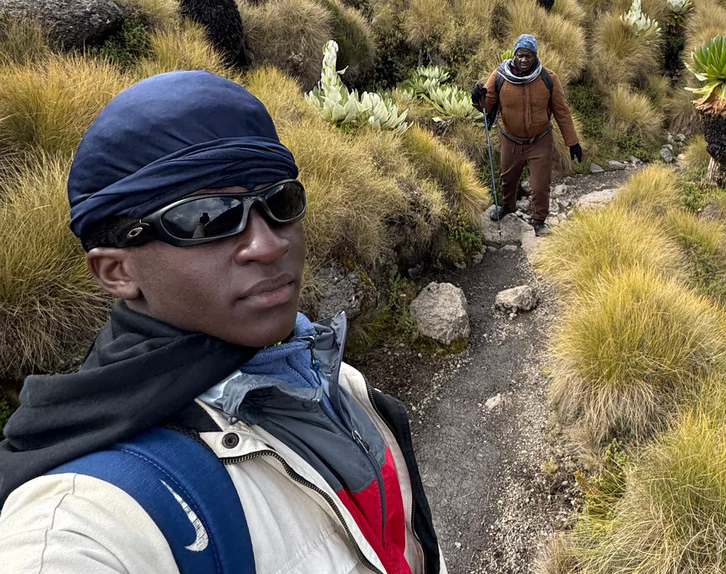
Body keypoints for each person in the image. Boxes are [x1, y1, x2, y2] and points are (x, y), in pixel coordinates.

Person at [0, 70, 444, 574]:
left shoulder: (329, 378)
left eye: (280, 202)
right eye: (208, 218)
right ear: (117, 271)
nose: (269, 243)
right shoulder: (75, 521)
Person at [471, 34, 582, 237]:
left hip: (540, 141)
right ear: (514, 55)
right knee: (507, 178)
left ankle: (539, 220)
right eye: (520, 55)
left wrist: (572, 142)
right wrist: (477, 97)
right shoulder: (499, 76)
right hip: (510, 139)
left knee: (540, 185)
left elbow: (562, 111)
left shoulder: (548, 78)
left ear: (535, 57)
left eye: (528, 56)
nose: (523, 60)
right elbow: (485, 107)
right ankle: (508, 206)